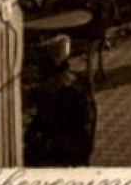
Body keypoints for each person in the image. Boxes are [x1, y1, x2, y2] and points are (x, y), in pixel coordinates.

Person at [22, 36, 97, 167]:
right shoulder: (48, 94)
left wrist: (47, 143)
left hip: (66, 157)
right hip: (51, 149)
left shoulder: (76, 96)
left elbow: (82, 141)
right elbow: (39, 122)